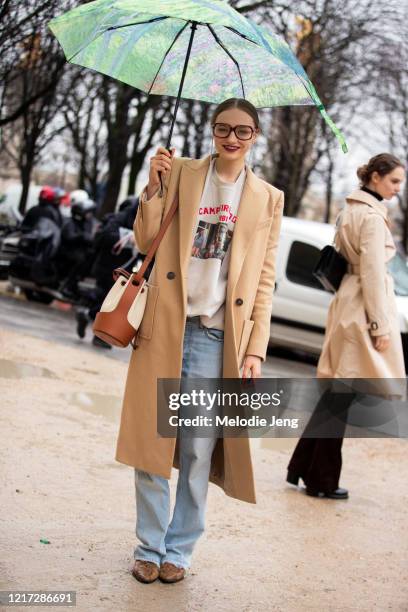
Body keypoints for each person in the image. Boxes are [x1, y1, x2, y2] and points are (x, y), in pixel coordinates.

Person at [115, 98, 284, 584]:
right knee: (152, 440)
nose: (232, 137)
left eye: (243, 131)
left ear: (255, 135)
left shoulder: (267, 198)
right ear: (212, 130)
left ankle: (179, 551)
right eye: (223, 128)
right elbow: (147, 242)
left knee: (197, 451)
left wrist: (255, 349)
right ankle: (149, 545)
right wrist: (154, 185)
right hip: (165, 326)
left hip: (216, 336)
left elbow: (265, 279)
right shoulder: (183, 172)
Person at [287, 153, 406, 499]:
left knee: (335, 395)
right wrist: (380, 326)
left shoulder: (351, 210)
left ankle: (301, 468)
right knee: (340, 396)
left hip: (347, 302)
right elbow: (370, 272)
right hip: (361, 308)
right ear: (376, 177)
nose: (398, 188)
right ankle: (320, 480)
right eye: (394, 181)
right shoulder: (369, 217)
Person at [75, 196, 140, 348]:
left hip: (125, 270)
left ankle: (89, 318)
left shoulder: (143, 222)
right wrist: (129, 238)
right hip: (108, 267)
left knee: (110, 303)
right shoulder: (120, 218)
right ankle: (99, 333)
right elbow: (106, 236)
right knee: (108, 303)